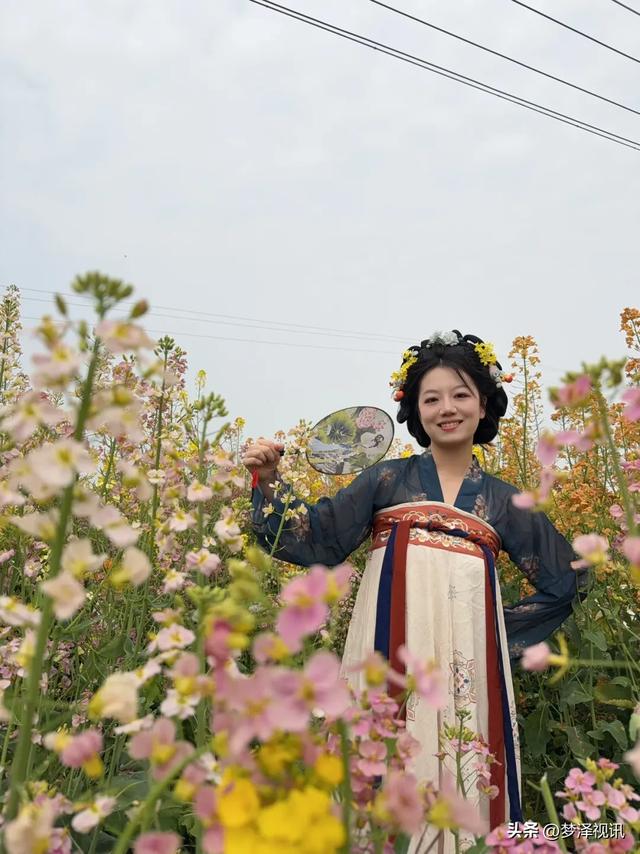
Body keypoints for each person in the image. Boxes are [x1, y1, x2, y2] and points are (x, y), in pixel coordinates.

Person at [242, 330, 587, 849]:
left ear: (484, 404)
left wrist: (492, 636)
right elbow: (317, 541)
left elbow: (566, 580)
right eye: (432, 398)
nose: (447, 408)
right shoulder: (386, 481)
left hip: (467, 667)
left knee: (464, 772)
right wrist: (270, 481)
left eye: (461, 395)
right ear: (414, 409)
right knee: (377, 769)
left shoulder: (502, 501)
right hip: (385, 648)